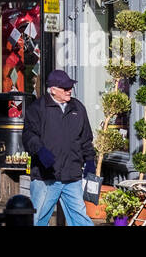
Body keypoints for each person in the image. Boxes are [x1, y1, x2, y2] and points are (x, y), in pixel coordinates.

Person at [21, 69, 95, 227]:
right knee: (38, 219)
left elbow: (86, 138)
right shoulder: (37, 108)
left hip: (72, 175)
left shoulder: (77, 108)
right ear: (53, 90)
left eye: (70, 87)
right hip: (46, 176)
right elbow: (28, 135)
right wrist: (40, 151)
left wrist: (89, 161)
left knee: (80, 218)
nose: (69, 91)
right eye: (65, 88)